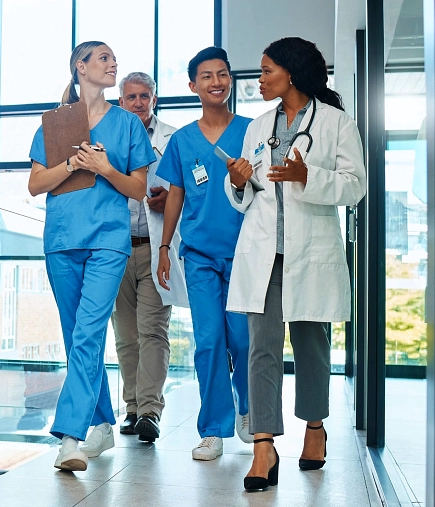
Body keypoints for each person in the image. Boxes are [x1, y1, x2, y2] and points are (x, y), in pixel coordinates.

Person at [224, 37, 366, 490]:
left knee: (311, 350)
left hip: (312, 254)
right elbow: (244, 199)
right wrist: (238, 182)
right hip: (264, 255)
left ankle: (315, 428)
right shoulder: (256, 127)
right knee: (260, 350)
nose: (260, 79)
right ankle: (263, 445)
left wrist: (310, 176)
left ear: (292, 72)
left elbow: (355, 186)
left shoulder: (337, 124)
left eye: (267, 70)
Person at [28, 41, 155, 472]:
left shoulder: (128, 125)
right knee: (76, 337)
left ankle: (70, 436)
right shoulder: (56, 122)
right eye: (103, 58)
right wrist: (72, 165)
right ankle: (101, 419)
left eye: (113, 58)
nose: (112, 63)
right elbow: (35, 183)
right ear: (80, 67)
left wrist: (104, 169)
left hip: (108, 241)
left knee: (87, 333)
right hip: (62, 240)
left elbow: (138, 189)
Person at [156, 47, 252, 461]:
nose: (216, 82)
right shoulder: (182, 140)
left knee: (245, 341)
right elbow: (175, 193)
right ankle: (213, 429)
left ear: (231, 80)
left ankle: (249, 412)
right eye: (207, 76)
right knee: (209, 340)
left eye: (223, 74)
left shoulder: (252, 130)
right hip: (197, 255)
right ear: (193, 85)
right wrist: (164, 246)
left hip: (247, 253)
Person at [111, 72, 188, 442]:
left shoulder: (174, 138)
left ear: (154, 99)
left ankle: (150, 412)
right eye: (131, 97)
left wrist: (171, 198)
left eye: (145, 96)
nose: (138, 102)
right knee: (125, 335)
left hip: (157, 247)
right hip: (117, 249)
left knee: (152, 330)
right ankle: (131, 408)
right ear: (120, 101)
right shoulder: (107, 137)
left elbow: (187, 190)